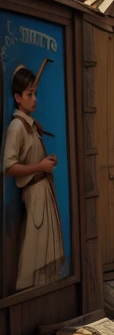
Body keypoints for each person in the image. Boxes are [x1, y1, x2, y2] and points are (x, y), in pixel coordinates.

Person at [3, 67, 64, 292]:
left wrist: (45, 161)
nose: (34, 99)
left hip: (43, 189)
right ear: (18, 98)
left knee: (47, 249)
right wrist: (39, 166)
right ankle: (32, 294)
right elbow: (9, 166)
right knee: (36, 249)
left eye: (35, 93)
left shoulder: (30, 124)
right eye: (29, 94)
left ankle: (45, 291)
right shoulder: (17, 127)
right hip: (34, 193)